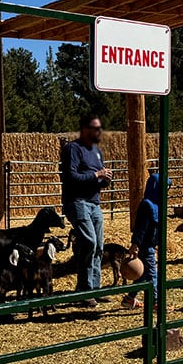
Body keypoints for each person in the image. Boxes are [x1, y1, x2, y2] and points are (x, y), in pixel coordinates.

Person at [60, 116, 113, 306]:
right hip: (77, 201)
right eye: (95, 128)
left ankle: (94, 289)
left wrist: (105, 180)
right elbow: (71, 176)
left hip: (94, 202)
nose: (99, 131)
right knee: (89, 242)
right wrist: (96, 174)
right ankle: (84, 290)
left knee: (98, 246)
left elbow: (95, 180)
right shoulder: (73, 149)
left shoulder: (97, 152)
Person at [122, 174, 167, 309]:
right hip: (145, 246)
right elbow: (141, 228)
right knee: (152, 275)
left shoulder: (157, 205)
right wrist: (135, 244)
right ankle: (156, 302)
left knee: (142, 274)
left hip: (150, 245)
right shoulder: (147, 205)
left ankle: (130, 299)